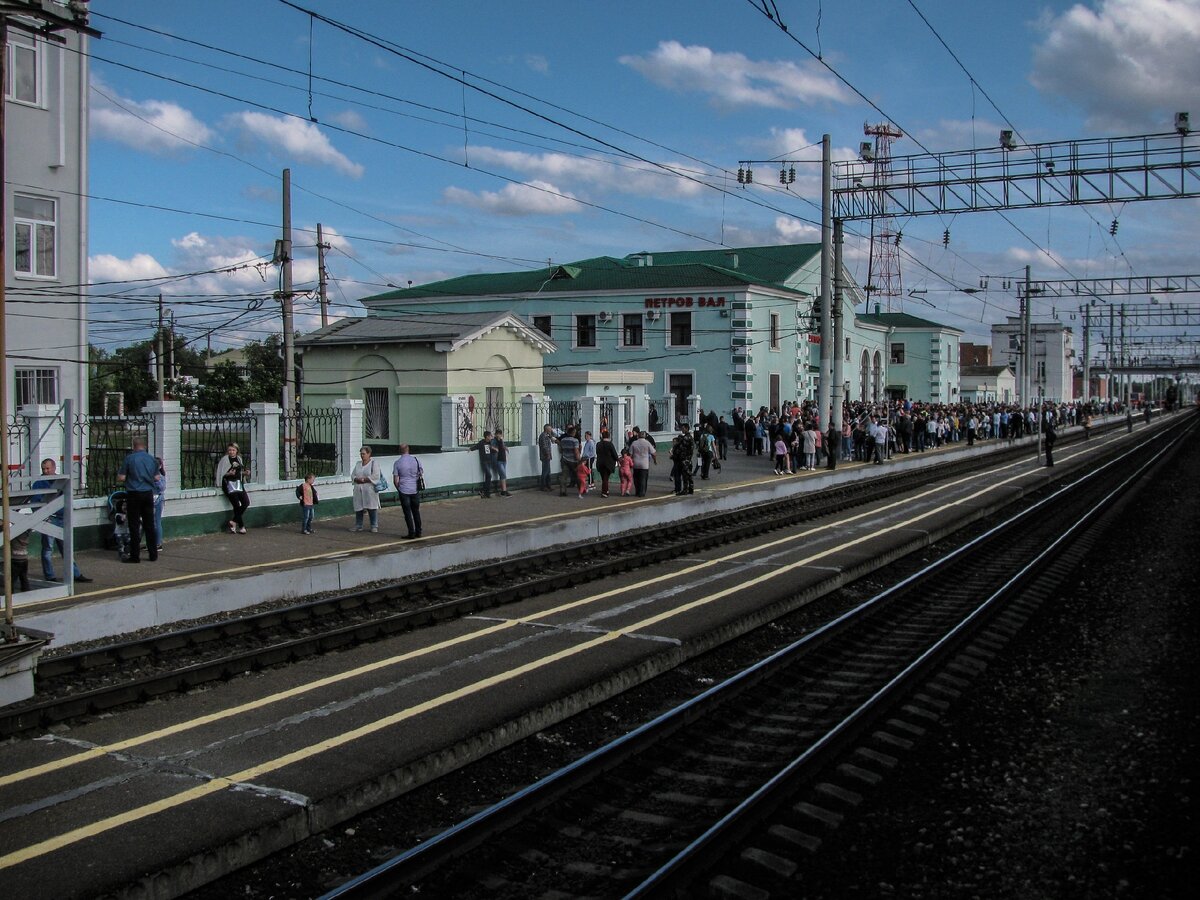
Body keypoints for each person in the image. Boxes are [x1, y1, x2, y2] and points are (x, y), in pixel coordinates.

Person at [33, 458, 92, 583]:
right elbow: (35, 502)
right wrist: (43, 517)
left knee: (66, 548)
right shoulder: (39, 483)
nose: (45, 471)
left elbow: (68, 499)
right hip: (49, 519)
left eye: (48, 468)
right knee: (47, 549)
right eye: (43, 469)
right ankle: (50, 576)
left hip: (62, 519)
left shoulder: (62, 481)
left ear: (54, 468)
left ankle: (75, 574)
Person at [118, 436, 160, 562]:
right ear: (145, 446)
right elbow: (157, 477)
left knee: (134, 525)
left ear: (133, 446)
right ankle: (153, 554)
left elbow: (121, 477)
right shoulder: (152, 459)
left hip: (134, 493)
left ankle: (135, 555)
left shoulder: (130, 459)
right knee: (149, 524)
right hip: (148, 493)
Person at [215, 443, 251, 534]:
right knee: (236, 505)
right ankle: (242, 527)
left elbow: (239, 472)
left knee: (246, 502)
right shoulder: (225, 460)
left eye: (233, 450)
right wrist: (228, 474)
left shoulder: (239, 459)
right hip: (228, 485)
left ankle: (233, 522)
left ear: (237, 451)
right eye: (230, 450)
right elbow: (221, 473)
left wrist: (245, 473)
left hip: (238, 484)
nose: (231, 452)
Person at [392, 444, 424, 539]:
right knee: (416, 511)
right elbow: (421, 472)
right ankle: (419, 531)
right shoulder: (416, 460)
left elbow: (396, 480)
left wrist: (399, 488)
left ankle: (411, 532)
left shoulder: (397, 463)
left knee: (407, 512)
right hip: (414, 489)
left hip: (404, 489)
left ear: (399, 450)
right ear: (408, 449)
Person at [350, 445, 382, 533]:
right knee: (359, 507)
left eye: (364, 454)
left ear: (369, 454)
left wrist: (365, 479)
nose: (362, 455)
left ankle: (374, 525)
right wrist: (356, 479)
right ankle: (359, 525)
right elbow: (353, 475)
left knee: (372, 507)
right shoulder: (358, 464)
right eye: (361, 454)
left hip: (369, 489)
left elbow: (376, 475)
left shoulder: (374, 463)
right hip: (359, 488)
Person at [629, 429, 656, 497]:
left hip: (636, 463)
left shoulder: (634, 443)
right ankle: (642, 492)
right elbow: (653, 453)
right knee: (643, 478)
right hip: (644, 464)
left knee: (636, 478)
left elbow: (630, 454)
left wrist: (629, 462)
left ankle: (637, 492)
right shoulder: (647, 443)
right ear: (644, 436)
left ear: (638, 436)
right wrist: (655, 460)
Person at [595, 429, 619, 498]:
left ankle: (606, 490)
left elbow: (597, 452)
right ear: (608, 436)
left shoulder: (598, 444)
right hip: (608, 463)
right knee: (605, 478)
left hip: (600, 463)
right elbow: (614, 454)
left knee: (603, 478)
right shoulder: (610, 444)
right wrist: (617, 460)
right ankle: (604, 492)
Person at [557, 425, 581, 496]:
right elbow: (576, 451)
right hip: (573, 460)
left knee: (564, 476)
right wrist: (579, 460)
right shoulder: (575, 440)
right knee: (577, 475)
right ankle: (581, 490)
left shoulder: (563, 440)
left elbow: (561, 450)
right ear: (573, 433)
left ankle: (563, 491)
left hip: (564, 459)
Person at [474, 430, 496, 498]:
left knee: (487, 476)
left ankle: (486, 492)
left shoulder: (490, 443)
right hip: (484, 461)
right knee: (489, 475)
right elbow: (476, 446)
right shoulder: (482, 443)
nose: (491, 437)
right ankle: (486, 491)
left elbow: (492, 450)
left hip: (489, 461)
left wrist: (494, 449)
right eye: (490, 436)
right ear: (487, 436)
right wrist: (470, 449)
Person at [491, 429, 511, 496]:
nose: (499, 435)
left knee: (502, 475)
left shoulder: (501, 440)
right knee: (503, 475)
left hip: (503, 459)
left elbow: (503, 446)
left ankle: (503, 491)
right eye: (498, 434)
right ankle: (504, 491)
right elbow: (491, 446)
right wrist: (495, 449)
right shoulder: (494, 440)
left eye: (500, 434)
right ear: (496, 434)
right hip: (498, 460)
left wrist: (505, 448)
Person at [152, 457, 167, 551]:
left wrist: (156, 480)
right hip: (149, 498)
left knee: (157, 521)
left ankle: (158, 543)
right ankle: (152, 542)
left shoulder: (160, 476)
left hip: (157, 499)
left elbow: (162, 488)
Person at [537, 424, 555, 491]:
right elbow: (544, 446)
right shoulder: (543, 436)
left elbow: (553, 439)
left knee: (548, 471)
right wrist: (547, 454)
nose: (551, 430)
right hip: (545, 456)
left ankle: (548, 485)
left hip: (547, 456)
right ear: (546, 429)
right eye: (550, 429)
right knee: (545, 471)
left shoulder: (547, 435)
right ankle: (543, 486)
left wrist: (550, 435)